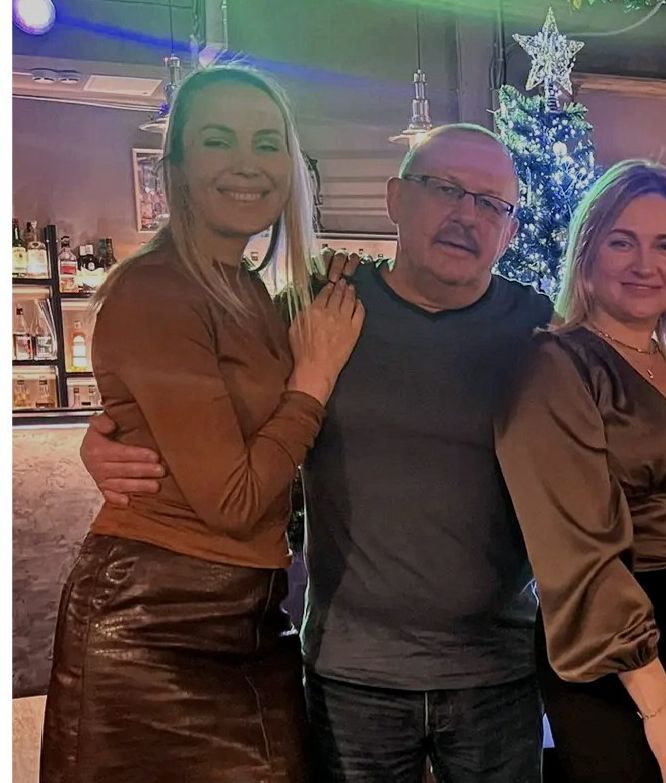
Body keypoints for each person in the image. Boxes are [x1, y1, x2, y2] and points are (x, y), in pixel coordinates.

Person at [75, 124, 554, 783]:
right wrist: (113, 434)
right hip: (352, 673)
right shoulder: (319, 308)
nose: (466, 215)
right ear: (395, 199)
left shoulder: (540, 328)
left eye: (491, 203)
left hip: (496, 674)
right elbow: (214, 400)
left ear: (511, 229)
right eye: (444, 189)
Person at [40, 66, 363, 783]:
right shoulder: (158, 290)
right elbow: (234, 500)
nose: (248, 164)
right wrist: (312, 379)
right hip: (149, 624)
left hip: (252, 613)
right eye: (218, 141)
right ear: (177, 168)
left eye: (267, 143)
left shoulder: (245, 288)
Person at [497, 160, 666, 783]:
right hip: (618, 651)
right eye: (623, 242)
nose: (646, 264)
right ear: (587, 253)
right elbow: (575, 553)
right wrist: (659, 705)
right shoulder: (555, 365)